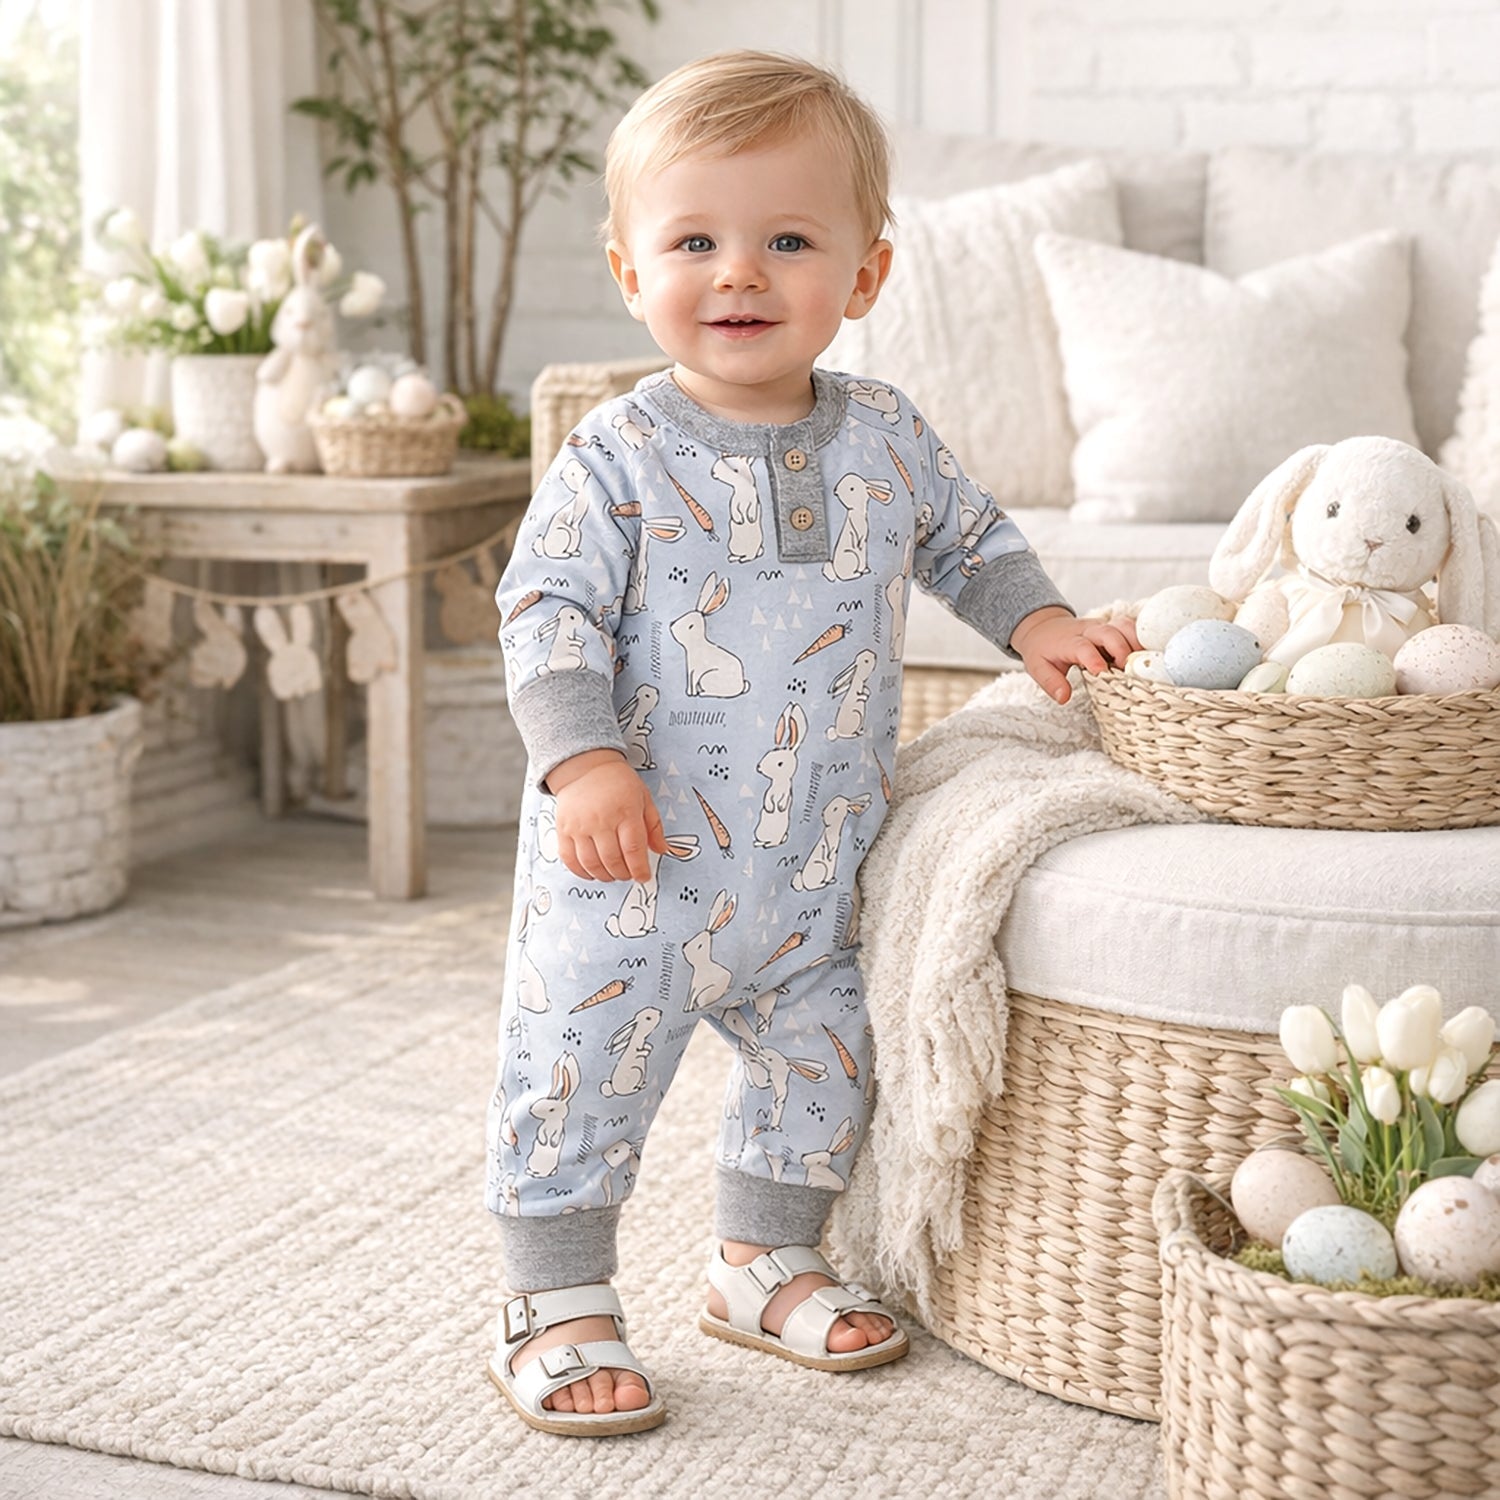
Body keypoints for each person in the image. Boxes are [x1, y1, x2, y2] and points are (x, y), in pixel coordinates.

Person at [486, 49, 1137, 1435]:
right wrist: (581, 760)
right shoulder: (615, 455)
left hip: (811, 873)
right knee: (578, 1075)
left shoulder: (886, 438)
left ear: (865, 275)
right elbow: (545, 612)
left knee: (827, 1059)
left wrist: (1040, 624)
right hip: (631, 873)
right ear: (629, 272)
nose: (740, 273)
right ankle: (556, 1296)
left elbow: (971, 544)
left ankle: (760, 1260)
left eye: (787, 241)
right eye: (695, 243)